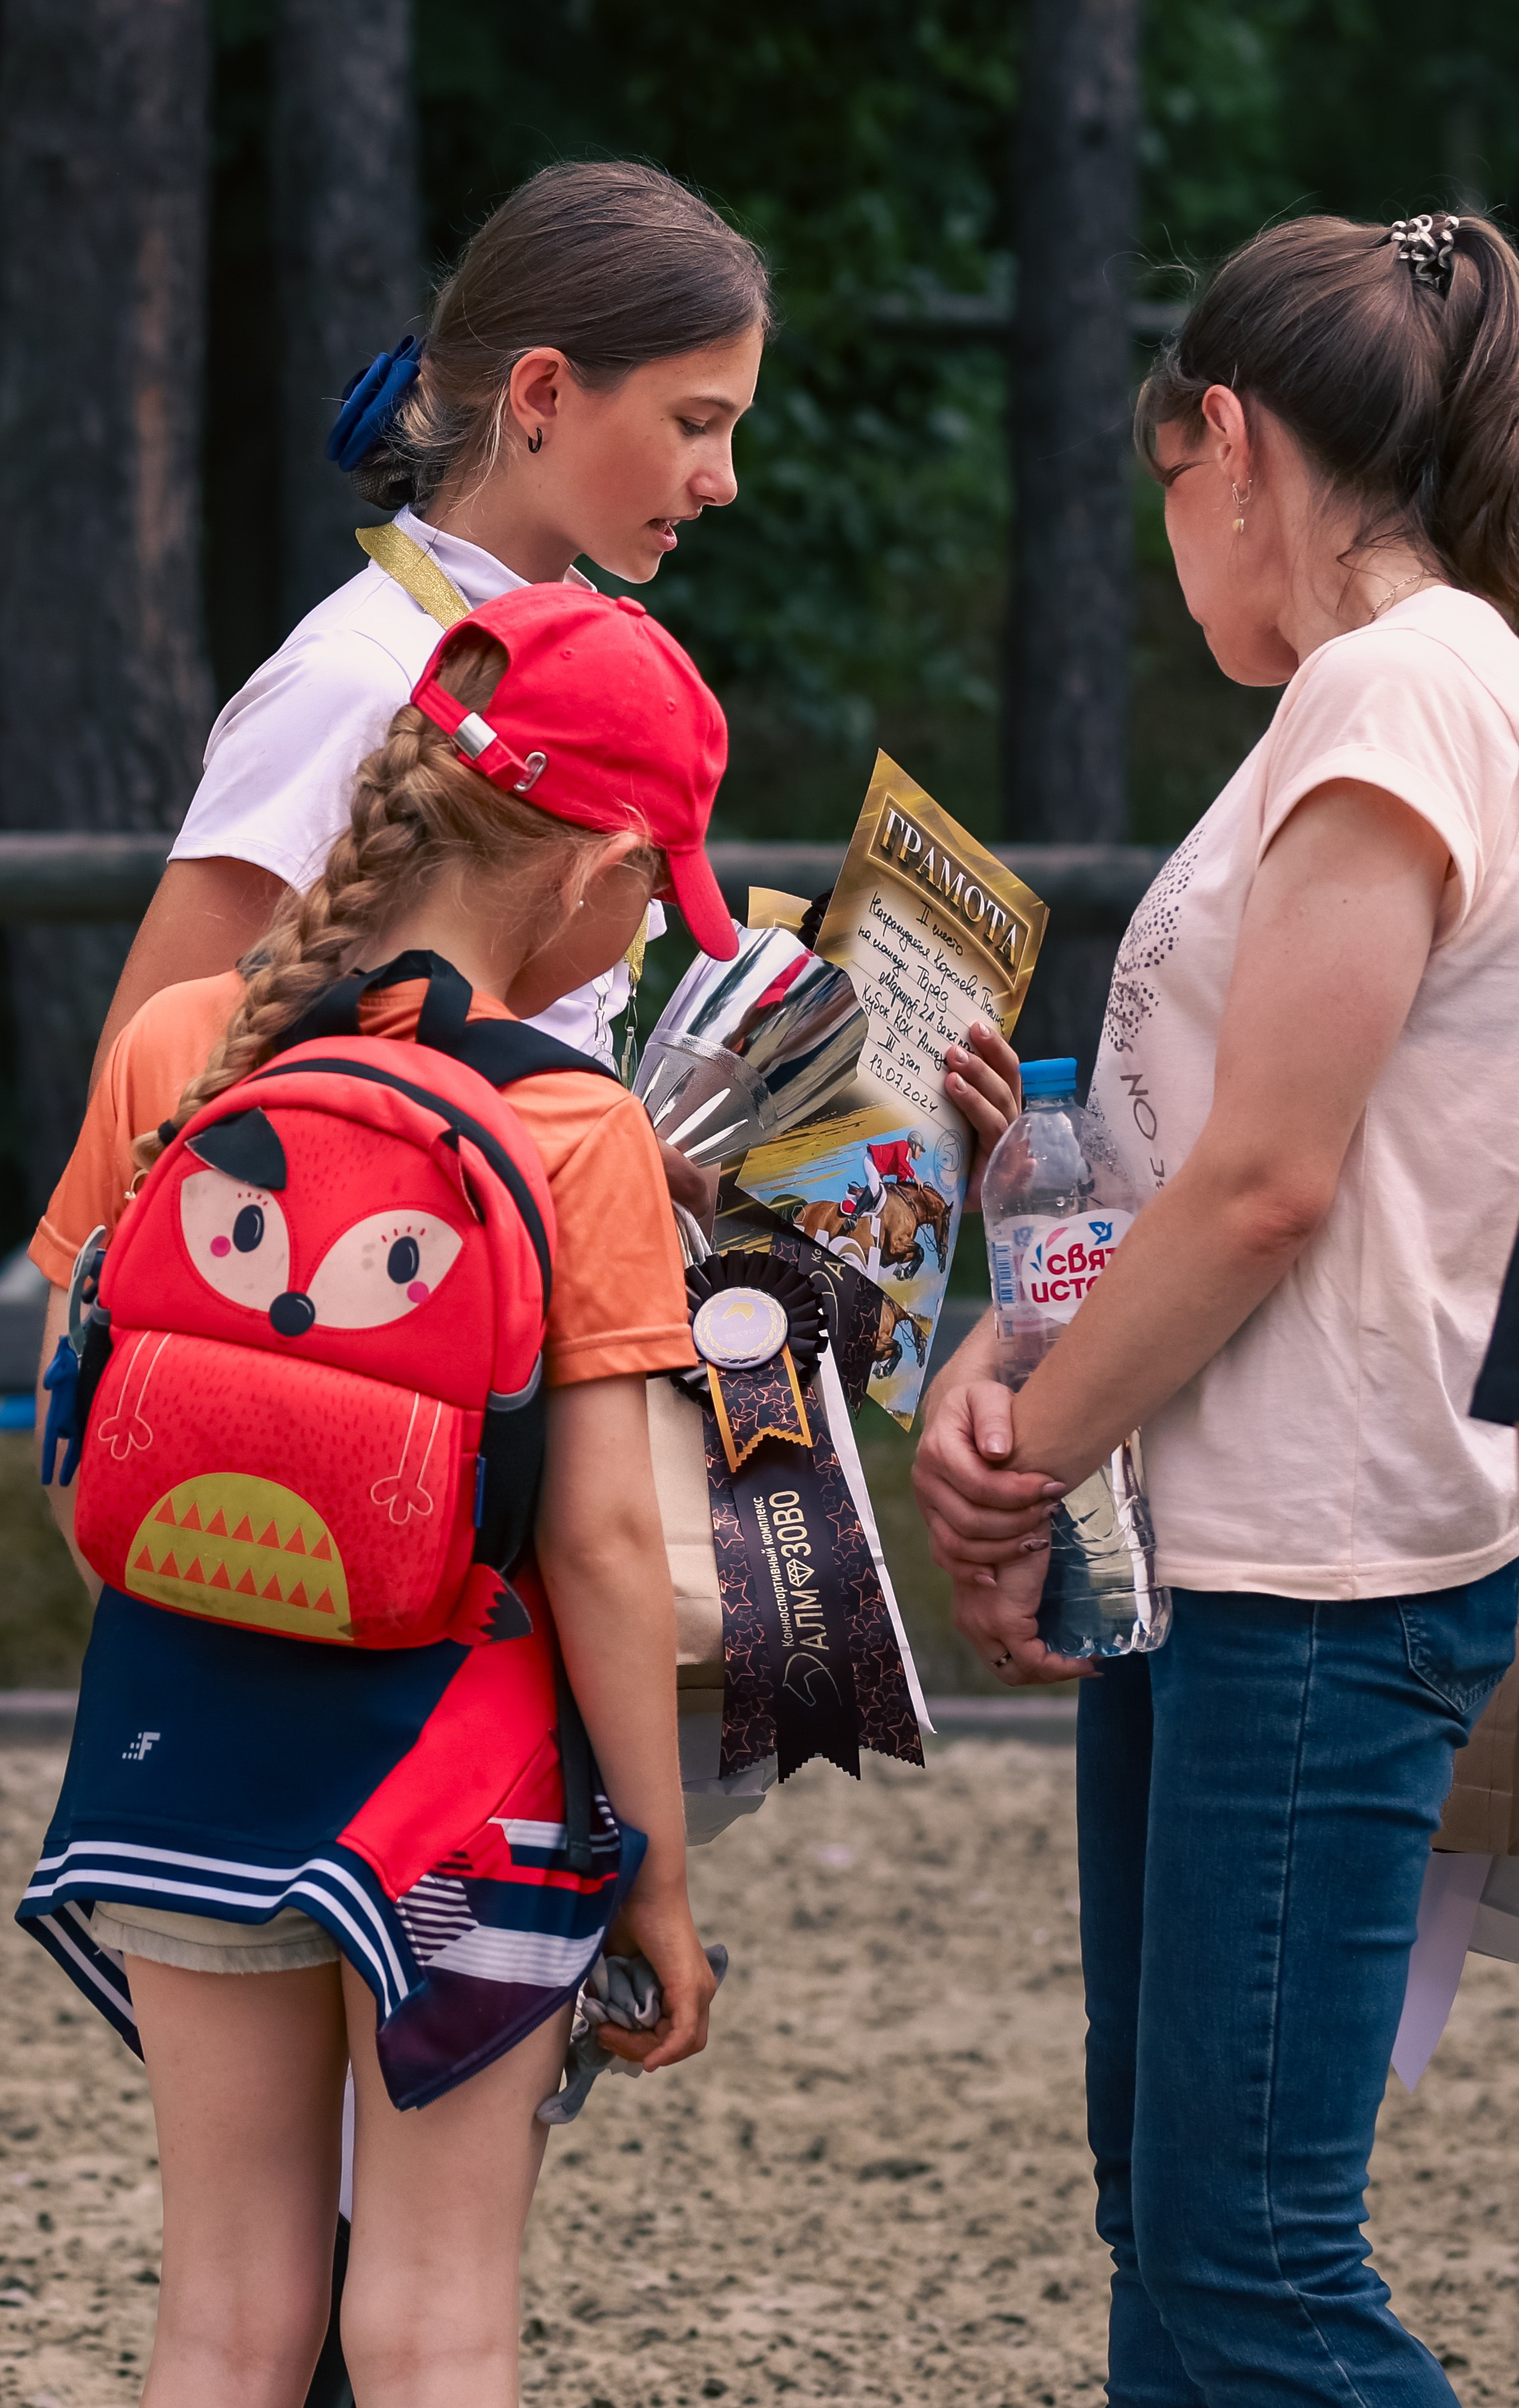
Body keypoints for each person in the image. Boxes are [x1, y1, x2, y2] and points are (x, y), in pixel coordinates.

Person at [913, 209, 1519, 2404]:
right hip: (1222, 1558)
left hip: (1310, 1567)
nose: (1168, 545)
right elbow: (1230, 1173)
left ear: (1227, 441)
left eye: (1161, 484)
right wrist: (1022, 1344)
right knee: (1176, 2244)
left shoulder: (1390, 689)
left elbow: (1274, 1186)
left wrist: (1025, 1444)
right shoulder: (1378, 707)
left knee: (1247, 2266)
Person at [21, 584, 735, 2408]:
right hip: (458, 1783)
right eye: (657, 881)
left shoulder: (179, 1042)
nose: (651, 918)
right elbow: (598, 1540)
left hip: (177, 1737)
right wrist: (649, 1867)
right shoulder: (578, 1131)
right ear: (590, 865)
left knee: (222, 2319)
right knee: (432, 2324)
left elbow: (76, 1437)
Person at [90, 159, 768, 1222]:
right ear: (542, 392)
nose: (722, 478)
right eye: (694, 421)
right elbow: (133, 1120)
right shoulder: (352, 675)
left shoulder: (582, 657)